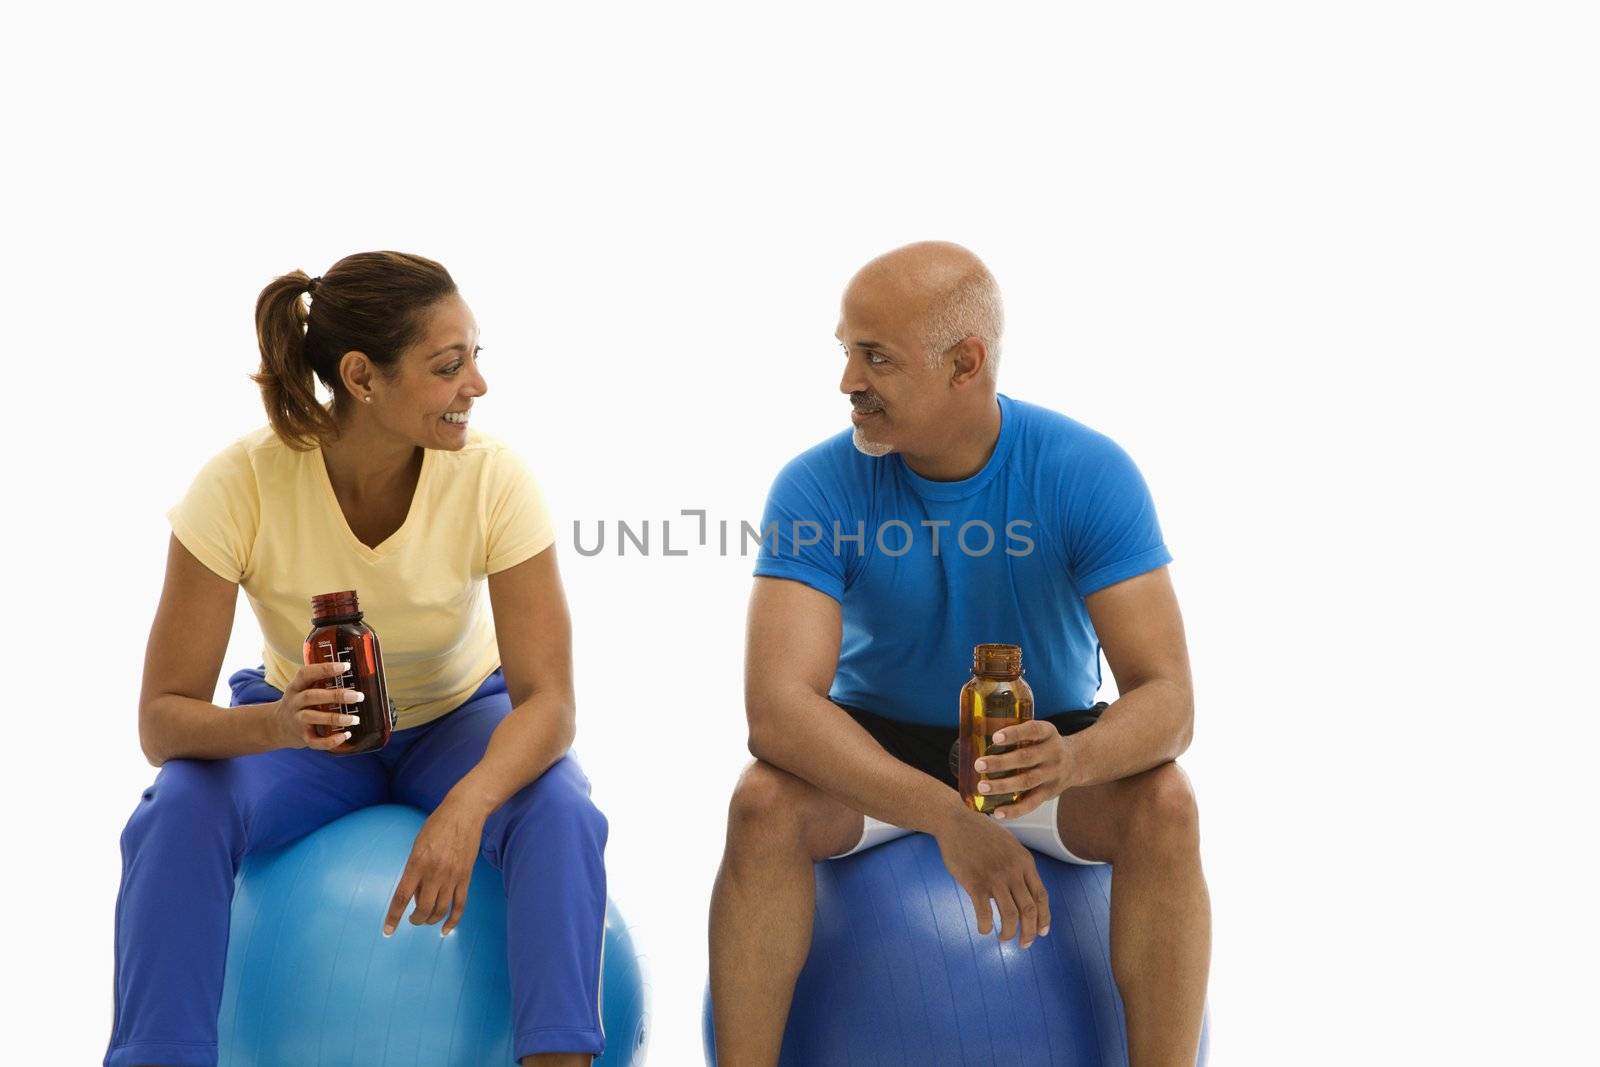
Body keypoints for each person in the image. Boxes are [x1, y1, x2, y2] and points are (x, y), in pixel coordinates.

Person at [708, 241, 1211, 1066]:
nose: (847, 383)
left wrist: (1072, 761)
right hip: (875, 746)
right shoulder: (816, 486)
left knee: (1168, 806)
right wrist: (947, 815)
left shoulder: (1086, 472)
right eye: (846, 352)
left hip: (1041, 748)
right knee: (761, 805)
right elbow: (778, 712)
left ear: (964, 364)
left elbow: (1168, 698)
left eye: (875, 358)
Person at [104, 251, 608, 1067]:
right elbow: (162, 720)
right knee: (179, 805)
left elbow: (550, 702)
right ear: (362, 377)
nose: (476, 385)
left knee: (560, 808)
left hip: (459, 718)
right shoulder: (240, 485)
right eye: (449, 366)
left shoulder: (495, 480)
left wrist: (469, 804)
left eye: (477, 357)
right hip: (298, 732)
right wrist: (276, 722)